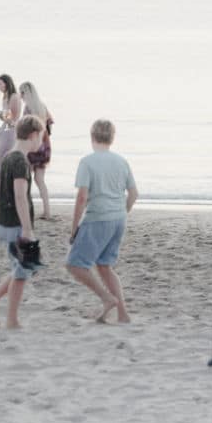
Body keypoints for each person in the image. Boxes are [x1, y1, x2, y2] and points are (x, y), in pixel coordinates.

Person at [67, 119, 139, 323]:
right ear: (112, 138)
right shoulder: (121, 161)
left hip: (98, 218)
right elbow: (133, 194)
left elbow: (82, 197)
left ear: (92, 137)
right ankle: (123, 314)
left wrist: (74, 229)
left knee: (75, 265)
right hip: (119, 219)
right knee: (105, 266)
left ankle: (107, 299)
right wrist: (122, 212)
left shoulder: (87, 162)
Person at [0, 115, 45, 331]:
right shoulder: (19, 161)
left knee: (23, 268)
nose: (41, 142)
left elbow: (2, 190)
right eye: (41, 137)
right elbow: (19, 196)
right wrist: (27, 229)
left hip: (4, 221)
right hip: (13, 225)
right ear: (33, 135)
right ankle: (11, 320)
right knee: (21, 272)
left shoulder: (10, 156)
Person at [19, 82, 56, 219]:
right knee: (40, 179)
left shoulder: (27, 109)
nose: (20, 96)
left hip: (32, 145)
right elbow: (49, 127)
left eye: (21, 93)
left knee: (26, 178)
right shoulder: (43, 107)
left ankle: (26, 210)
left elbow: (24, 130)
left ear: (25, 94)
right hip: (45, 144)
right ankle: (47, 212)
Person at [0, 74, 20, 171]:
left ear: (7, 83)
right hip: (5, 131)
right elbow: (6, 119)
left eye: (0, 84)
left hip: (10, 133)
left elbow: (11, 120)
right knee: (0, 160)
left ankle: (3, 184)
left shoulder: (13, 97)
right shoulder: (6, 97)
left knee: (4, 159)